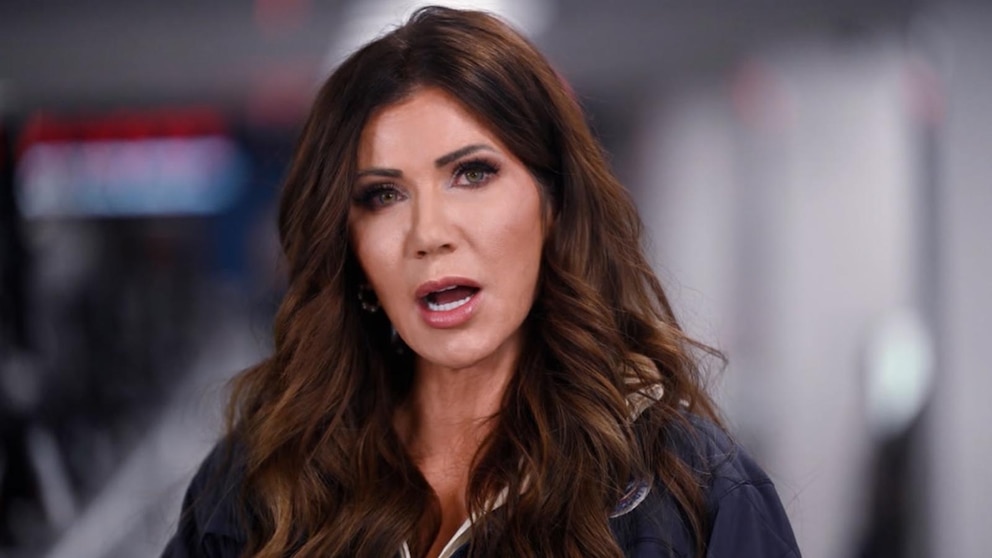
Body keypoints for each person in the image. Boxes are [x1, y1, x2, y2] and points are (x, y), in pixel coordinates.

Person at [163, 6, 800, 558]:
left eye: (471, 174)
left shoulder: (692, 493)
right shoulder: (259, 486)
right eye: (382, 194)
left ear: (553, 206)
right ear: (349, 247)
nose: (428, 233)